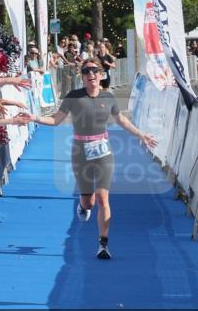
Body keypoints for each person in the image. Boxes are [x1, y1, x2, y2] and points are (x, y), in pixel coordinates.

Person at [29, 58, 157, 260]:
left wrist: (141, 135)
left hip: (103, 151)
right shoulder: (73, 97)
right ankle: (83, 206)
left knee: (103, 198)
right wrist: (35, 118)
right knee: (89, 202)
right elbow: (55, 120)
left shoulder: (109, 96)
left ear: (101, 74)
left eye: (95, 70)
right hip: (80, 152)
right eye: (87, 71)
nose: (91, 74)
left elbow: (121, 119)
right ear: (83, 76)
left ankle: (103, 244)